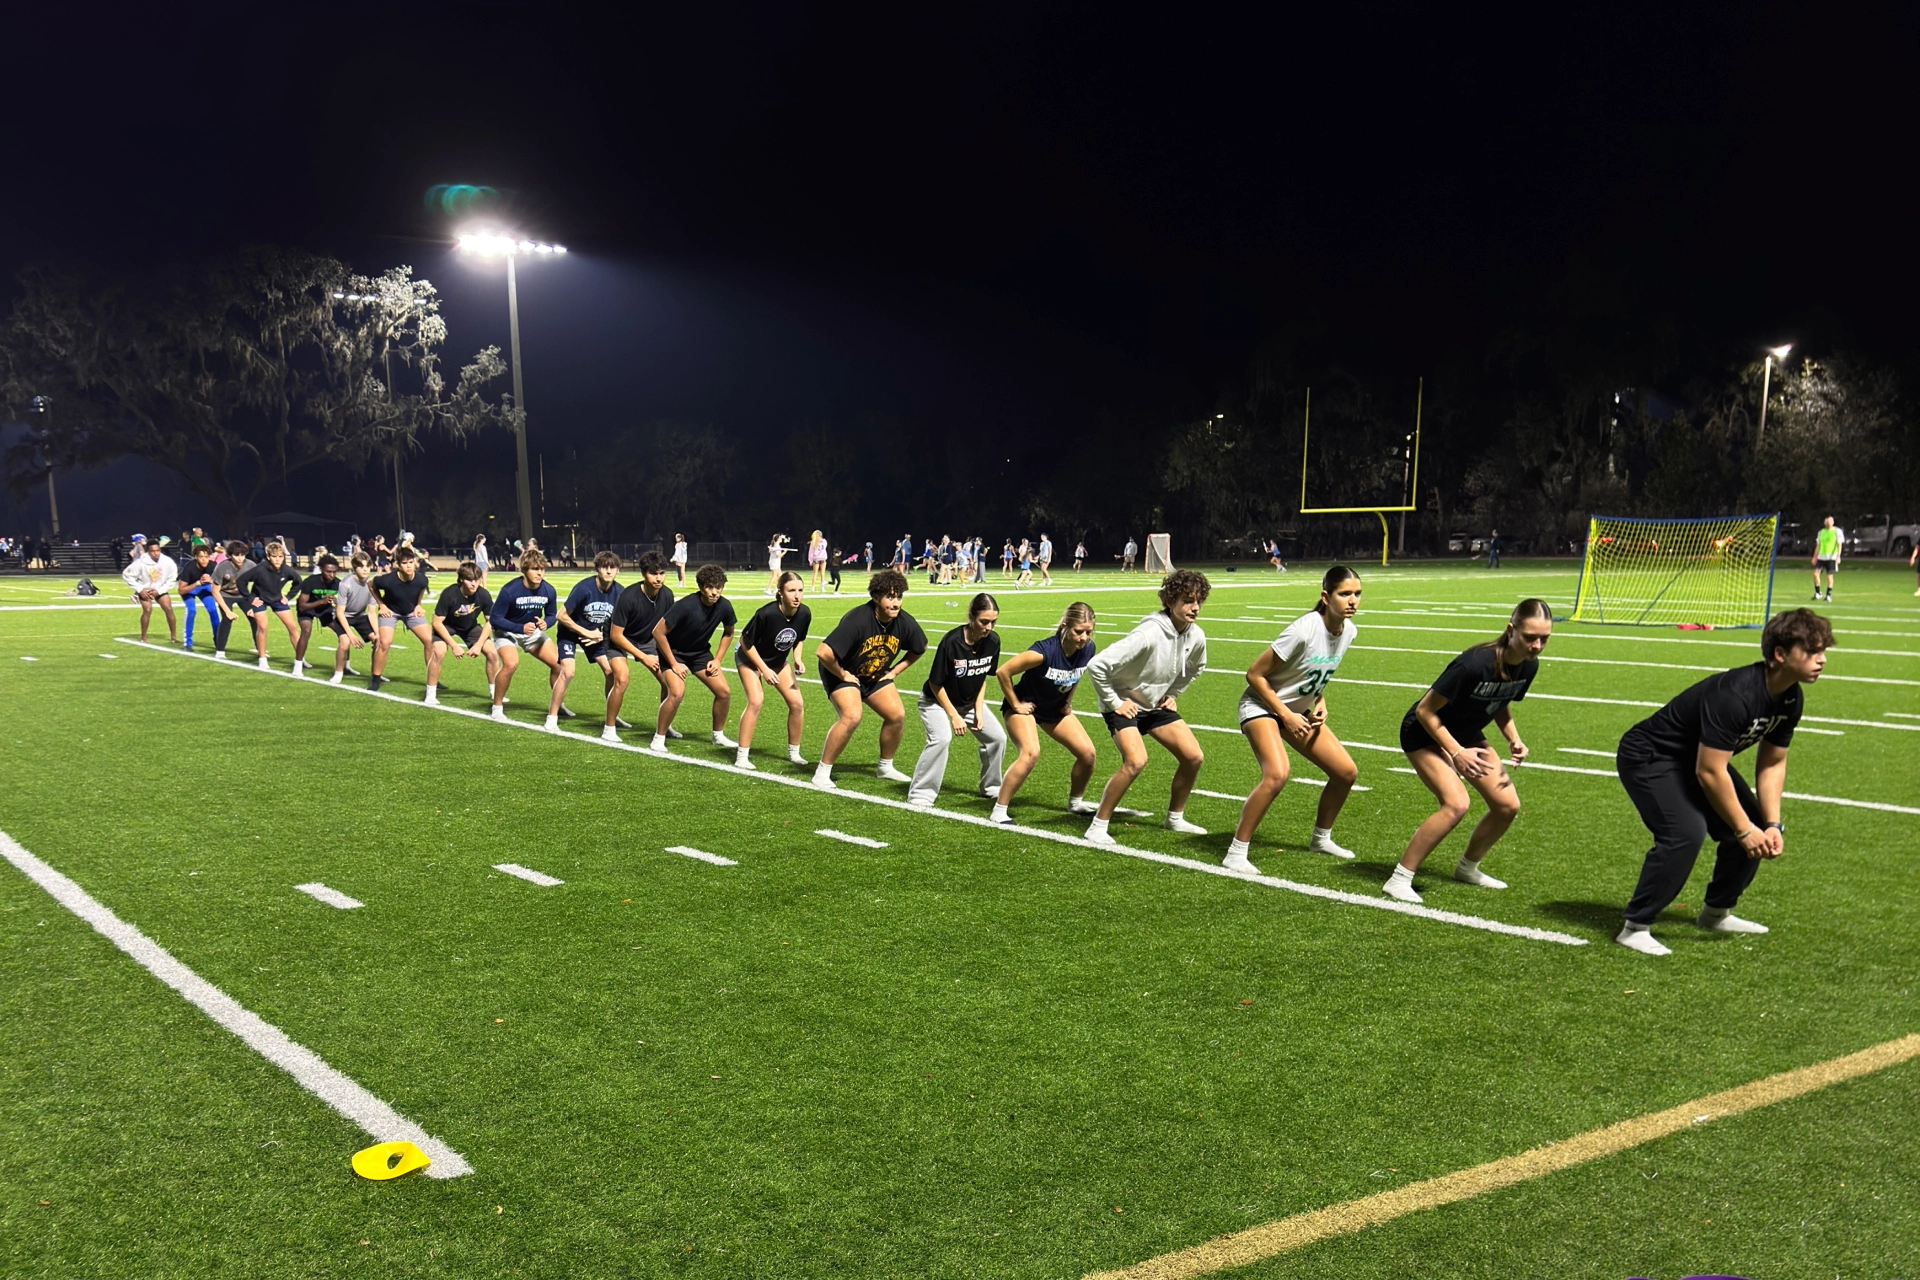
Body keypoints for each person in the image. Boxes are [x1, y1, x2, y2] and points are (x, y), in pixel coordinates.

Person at [1614, 609, 1830, 955]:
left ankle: (1716, 912)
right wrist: (1744, 831)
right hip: (1651, 755)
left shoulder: (1790, 697)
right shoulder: (1736, 694)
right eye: (1812, 651)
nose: (1821, 660)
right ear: (1780, 655)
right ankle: (1635, 925)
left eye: (1823, 651)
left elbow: (1773, 762)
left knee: (1754, 821)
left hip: (1694, 760)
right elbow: (1710, 772)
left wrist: (1771, 824)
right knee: (1685, 832)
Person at [1385, 599, 1552, 903]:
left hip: (1464, 733)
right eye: (1530, 638)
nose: (1537, 646)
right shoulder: (1474, 663)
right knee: (1456, 804)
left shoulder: (1529, 665)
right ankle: (1399, 879)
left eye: (1544, 638)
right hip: (1423, 732)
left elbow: (1501, 700)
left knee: (1507, 805)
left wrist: (1513, 738)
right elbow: (1425, 711)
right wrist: (1456, 752)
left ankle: (1467, 868)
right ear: (1511, 630)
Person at [1224, 566, 1365, 874]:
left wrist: (1320, 701)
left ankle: (1321, 839)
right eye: (1345, 594)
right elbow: (1254, 675)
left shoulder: (1349, 631)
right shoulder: (1303, 630)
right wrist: (1286, 714)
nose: (1352, 600)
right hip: (1261, 706)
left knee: (1346, 772)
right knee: (1277, 774)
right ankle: (1236, 851)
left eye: (1357, 594)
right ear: (1326, 597)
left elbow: (1319, 674)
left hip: (1297, 711)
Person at [1082, 570, 1212, 845]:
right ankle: (1098, 826)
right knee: (1136, 761)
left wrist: (1173, 692)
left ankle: (1174, 818)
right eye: (1188, 600)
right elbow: (1097, 666)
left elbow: (1196, 667)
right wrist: (1115, 702)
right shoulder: (1149, 632)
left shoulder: (1196, 635)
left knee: (1193, 757)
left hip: (1154, 704)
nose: (1196, 607)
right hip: (1123, 705)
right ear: (1171, 599)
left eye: (1199, 600)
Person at [812, 569, 928, 790]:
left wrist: (894, 672)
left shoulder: (904, 622)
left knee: (896, 715)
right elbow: (824, 652)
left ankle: (885, 767)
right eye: (890, 597)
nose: (896, 603)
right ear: (876, 598)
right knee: (852, 715)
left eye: (899, 597)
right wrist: (844, 674)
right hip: (841, 669)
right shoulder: (858, 619)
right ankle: (822, 772)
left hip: (874, 673)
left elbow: (920, 648)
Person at [990, 603, 1100, 824]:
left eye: (1088, 632)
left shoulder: (1088, 649)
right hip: (1026, 707)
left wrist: (1068, 701)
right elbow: (1003, 671)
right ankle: (999, 810)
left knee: (1088, 755)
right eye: (1079, 631)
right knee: (1030, 753)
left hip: (1054, 708)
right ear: (1065, 626)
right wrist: (1016, 704)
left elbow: (1076, 674)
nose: (1084, 637)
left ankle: (1075, 802)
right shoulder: (1043, 652)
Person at [908, 592, 1006, 807]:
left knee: (997, 738)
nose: (989, 627)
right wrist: (954, 716)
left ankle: (991, 787)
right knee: (941, 739)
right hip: (936, 701)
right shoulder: (952, 641)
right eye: (984, 622)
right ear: (971, 617)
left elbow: (982, 678)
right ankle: (921, 793)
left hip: (969, 703)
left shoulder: (993, 641)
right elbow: (935, 683)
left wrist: (978, 712)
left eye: (993, 622)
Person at [657, 563, 740, 751]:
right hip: (674, 653)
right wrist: (673, 663)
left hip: (699, 653)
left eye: (718, 587)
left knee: (724, 692)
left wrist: (717, 659)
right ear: (701, 587)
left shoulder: (724, 606)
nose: (714, 592)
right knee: (677, 693)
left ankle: (717, 736)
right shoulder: (685, 605)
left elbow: (728, 633)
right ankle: (659, 738)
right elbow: (658, 632)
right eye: (710, 587)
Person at [735, 571, 812, 770]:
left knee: (797, 703)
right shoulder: (766, 613)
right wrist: (763, 669)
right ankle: (741, 756)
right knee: (756, 700)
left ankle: (794, 753)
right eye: (791, 590)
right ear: (780, 592)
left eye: (800, 590)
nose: (797, 596)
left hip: (777, 660)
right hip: (750, 658)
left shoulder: (804, 613)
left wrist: (797, 658)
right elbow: (745, 642)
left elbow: (799, 637)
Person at [488, 549, 569, 730]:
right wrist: (519, 628)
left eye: (542, 569)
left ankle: (558, 705)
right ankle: (497, 707)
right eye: (534, 569)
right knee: (510, 664)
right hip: (507, 631)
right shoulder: (510, 590)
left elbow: (550, 615)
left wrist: (545, 624)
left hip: (531, 631)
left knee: (559, 665)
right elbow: (495, 619)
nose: (539, 573)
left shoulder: (548, 590)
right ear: (525, 570)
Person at [606, 550, 679, 749]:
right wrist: (643, 657)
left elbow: (668, 630)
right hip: (620, 638)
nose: (658, 578)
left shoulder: (667, 595)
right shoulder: (628, 597)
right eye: (653, 573)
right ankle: (609, 728)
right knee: (622, 678)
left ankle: (664, 725)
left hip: (648, 640)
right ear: (643, 574)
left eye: (662, 573)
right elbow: (616, 635)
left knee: (669, 682)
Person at [558, 551, 632, 743]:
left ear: (618, 569)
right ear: (597, 568)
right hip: (570, 631)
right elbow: (561, 615)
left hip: (593, 635)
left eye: (613, 567)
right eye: (604, 567)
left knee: (610, 671)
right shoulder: (585, 588)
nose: (609, 571)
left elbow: (619, 621)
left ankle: (611, 715)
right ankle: (552, 717)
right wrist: (584, 632)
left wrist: (600, 634)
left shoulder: (620, 592)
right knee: (568, 672)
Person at [369, 546, 441, 699]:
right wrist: (381, 605)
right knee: (385, 643)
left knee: (430, 641)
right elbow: (370, 584)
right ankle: (375, 679)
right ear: (398, 565)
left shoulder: (421, 578)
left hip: (411, 612)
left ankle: (433, 678)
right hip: (391, 611)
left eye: (410, 562)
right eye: (404, 563)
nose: (408, 566)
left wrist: (418, 605)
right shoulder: (388, 580)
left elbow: (421, 589)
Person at [431, 561, 501, 699]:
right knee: (439, 652)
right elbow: (437, 623)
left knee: (492, 652)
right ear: (462, 579)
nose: (474, 584)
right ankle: (430, 694)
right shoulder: (449, 593)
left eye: (477, 579)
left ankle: (495, 693)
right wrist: (454, 646)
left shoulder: (483, 594)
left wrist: (479, 645)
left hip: (469, 626)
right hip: (447, 626)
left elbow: (490, 621)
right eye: (469, 580)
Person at [235, 541, 302, 669]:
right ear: (268, 557)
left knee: (293, 627)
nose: (277, 560)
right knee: (263, 627)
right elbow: (240, 581)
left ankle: (300, 658)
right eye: (274, 557)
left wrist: (288, 597)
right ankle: (262, 659)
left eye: (280, 556)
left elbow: (298, 582)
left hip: (277, 599)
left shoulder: (286, 570)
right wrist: (250, 598)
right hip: (260, 600)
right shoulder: (260, 569)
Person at [326, 553, 378, 684]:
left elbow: (371, 612)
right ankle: (338, 672)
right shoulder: (345, 584)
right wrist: (351, 635)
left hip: (360, 616)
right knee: (344, 642)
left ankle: (376, 673)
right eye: (361, 566)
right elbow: (340, 612)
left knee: (378, 640)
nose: (365, 569)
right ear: (354, 568)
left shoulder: (372, 584)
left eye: (367, 566)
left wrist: (377, 632)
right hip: (343, 616)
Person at [291, 556, 345, 675]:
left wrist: (336, 601)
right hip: (308, 609)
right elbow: (302, 606)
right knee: (306, 630)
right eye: (328, 571)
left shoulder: (338, 584)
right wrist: (321, 601)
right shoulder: (311, 581)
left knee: (343, 632)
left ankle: (345, 665)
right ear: (321, 569)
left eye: (334, 572)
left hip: (325, 610)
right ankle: (298, 665)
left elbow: (344, 603)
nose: (331, 575)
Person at [123, 538, 180, 644]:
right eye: (152, 551)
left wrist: (159, 590)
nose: (156, 553)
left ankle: (173, 637)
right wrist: (140, 589)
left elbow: (172, 579)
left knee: (168, 608)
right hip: (145, 590)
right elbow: (127, 574)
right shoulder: (140, 562)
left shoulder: (168, 561)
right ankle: (143, 637)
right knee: (147, 610)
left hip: (160, 589)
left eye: (157, 550)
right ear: (148, 551)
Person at [174, 543, 227, 650]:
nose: (204, 560)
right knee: (191, 610)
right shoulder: (189, 567)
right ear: (196, 557)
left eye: (206, 557)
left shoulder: (213, 566)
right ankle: (188, 643)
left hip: (204, 588)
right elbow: (181, 590)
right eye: (201, 557)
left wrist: (211, 581)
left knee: (213, 610)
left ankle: (218, 640)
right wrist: (197, 583)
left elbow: (223, 583)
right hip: (190, 588)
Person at [210, 540, 251, 659]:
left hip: (243, 595)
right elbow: (215, 591)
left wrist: (254, 603)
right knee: (227, 619)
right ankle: (220, 651)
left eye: (242, 555)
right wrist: (227, 611)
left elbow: (259, 584)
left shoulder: (251, 565)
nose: (240, 558)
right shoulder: (222, 567)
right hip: (225, 594)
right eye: (236, 555)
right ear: (230, 555)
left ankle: (260, 649)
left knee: (255, 617)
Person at [1812, 515, 1841, 602]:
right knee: (1815, 574)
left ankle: (1828, 595)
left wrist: (1838, 556)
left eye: (1829, 522)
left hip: (1831, 557)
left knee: (1829, 576)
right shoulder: (1821, 532)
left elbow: (1839, 544)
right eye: (1826, 522)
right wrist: (1815, 556)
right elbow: (1818, 545)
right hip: (1821, 557)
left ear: (1833, 522)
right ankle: (1818, 593)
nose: (1828, 524)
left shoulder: (1837, 531)